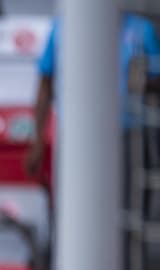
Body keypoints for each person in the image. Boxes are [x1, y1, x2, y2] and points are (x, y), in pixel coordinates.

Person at [25, 11, 160, 181]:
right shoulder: (62, 28)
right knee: (76, 198)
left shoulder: (140, 29)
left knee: (122, 199)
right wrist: (38, 141)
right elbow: (45, 84)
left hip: (127, 134)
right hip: (78, 136)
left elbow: (156, 76)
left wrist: (143, 82)